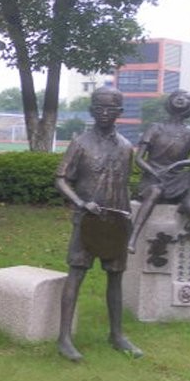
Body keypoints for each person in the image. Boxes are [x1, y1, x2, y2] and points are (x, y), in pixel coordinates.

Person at [55, 87, 142, 362]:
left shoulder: (126, 147)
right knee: (76, 273)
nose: (104, 113)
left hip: (116, 221)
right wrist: (80, 203)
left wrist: (128, 221)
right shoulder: (80, 143)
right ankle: (64, 338)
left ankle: (117, 334)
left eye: (111, 108)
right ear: (92, 110)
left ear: (120, 112)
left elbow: (124, 185)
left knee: (115, 276)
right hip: (88, 221)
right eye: (99, 107)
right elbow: (61, 179)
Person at [127, 89, 190, 253]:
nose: (181, 99)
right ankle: (132, 238)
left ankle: (187, 202)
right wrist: (154, 173)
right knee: (155, 191)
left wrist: (183, 163)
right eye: (177, 96)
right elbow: (139, 159)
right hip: (152, 179)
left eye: (186, 98)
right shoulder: (155, 128)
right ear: (170, 101)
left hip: (175, 180)